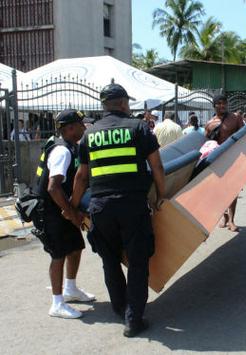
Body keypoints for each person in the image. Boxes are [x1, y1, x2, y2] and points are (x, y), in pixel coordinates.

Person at [71, 83, 166, 337]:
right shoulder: (139, 127)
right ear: (124, 103)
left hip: (100, 207)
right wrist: (161, 196)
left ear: (104, 105)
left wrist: (72, 207)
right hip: (132, 206)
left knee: (110, 260)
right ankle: (133, 318)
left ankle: (119, 307)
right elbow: (156, 166)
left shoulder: (89, 135)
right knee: (137, 261)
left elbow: (81, 177)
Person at [33, 109, 95, 319]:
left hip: (61, 208)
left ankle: (70, 289)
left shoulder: (70, 147)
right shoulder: (63, 151)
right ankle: (57, 303)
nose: (84, 127)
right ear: (70, 128)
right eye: (81, 124)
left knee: (75, 247)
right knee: (58, 255)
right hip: (51, 210)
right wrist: (71, 213)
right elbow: (53, 187)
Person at [205, 94, 245, 232]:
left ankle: (232, 220)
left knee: (232, 190)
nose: (222, 105)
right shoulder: (210, 124)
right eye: (219, 103)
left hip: (233, 160)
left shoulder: (235, 118)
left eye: (224, 103)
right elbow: (207, 144)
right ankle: (225, 216)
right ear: (214, 105)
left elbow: (244, 136)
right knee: (219, 191)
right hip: (217, 161)